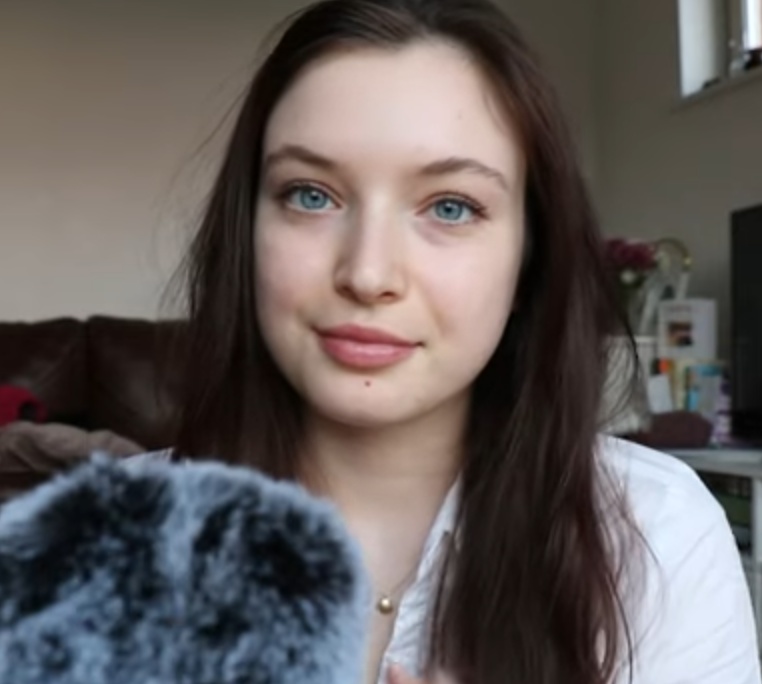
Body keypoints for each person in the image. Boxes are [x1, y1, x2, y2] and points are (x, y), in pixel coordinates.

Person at [165, 0, 761, 682]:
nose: (367, 274)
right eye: (310, 195)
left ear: (528, 258)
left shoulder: (659, 534)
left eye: (450, 207)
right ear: (246, 231)